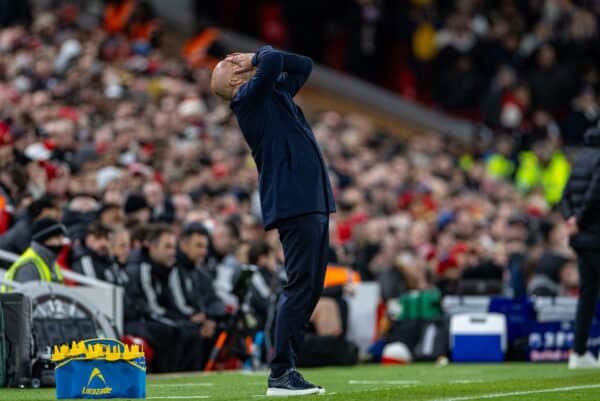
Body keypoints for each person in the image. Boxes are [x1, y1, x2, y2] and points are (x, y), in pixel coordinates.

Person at [211, 46, 335, 396]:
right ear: (235, 79)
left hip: (310, 198)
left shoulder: (272, 92)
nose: (239, 57)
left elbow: (305, 63)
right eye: (232, 62)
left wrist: (258, 59)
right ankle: (280, 371)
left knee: (309, 286)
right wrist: (256, 57)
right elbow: (274, 61)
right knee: (299, 285)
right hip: (294, 200)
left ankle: (288, 368)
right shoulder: (247, 99)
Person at [124, 224, 204, 372]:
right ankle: (168, 376)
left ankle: (190, 376)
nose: (172, 252)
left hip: (153, 317)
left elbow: (173, 303)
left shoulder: (168, 268)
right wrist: (181, 319)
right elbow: (151, 308)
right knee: (172, 330)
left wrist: (188, 317)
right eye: (167, 247)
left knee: (191, 329)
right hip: (137, 320)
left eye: (173, 248)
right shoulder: (141, 269)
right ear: (152, 248)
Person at [562, 128, 600, 369]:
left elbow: (564, 196)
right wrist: (581, 219)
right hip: (596, 235)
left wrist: (571, 220)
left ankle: (578, 352)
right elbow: (597, 194)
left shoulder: (581, 158)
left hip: (581, 238)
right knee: (588, 293)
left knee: (587, 294)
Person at [169, 222, 225, 330]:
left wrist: (211, 319)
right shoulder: (172, 270)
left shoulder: (201, 271)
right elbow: (177, 307)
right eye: (199, 246)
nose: (204, 252)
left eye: (205, 247)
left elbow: (215, 300)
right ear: (184, 245)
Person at [1, 217, 67, 291]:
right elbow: (27, 297)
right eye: (58, 238)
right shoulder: (29, 266)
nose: (62, 242)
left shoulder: (50, 262)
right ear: (45, 240)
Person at [71, 222, 127, 286]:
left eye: (107, 238)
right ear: (87, 239)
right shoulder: (85, 261)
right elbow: (93, 290)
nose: (103, 243)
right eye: (98, 237)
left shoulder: (111, 260)